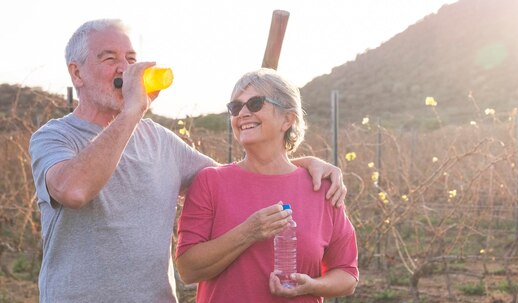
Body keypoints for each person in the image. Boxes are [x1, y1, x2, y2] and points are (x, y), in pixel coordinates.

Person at [29, 19, 346, 303]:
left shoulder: (160, 141)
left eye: (131, 59)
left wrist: (300, 165)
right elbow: (73, 191)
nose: (125, 69)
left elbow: (235, 178)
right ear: (76, 72)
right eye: (109, 58)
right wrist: (132, 111)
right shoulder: (55, 138)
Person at [175, 68, 359, 302]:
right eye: (234, 107)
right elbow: (188, 269)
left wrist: (311, 285)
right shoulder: (210, 182)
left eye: (254, 103)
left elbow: (347, 274)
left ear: (287, 119)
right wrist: (249, 231)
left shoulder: (321, 188)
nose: (241, 113)